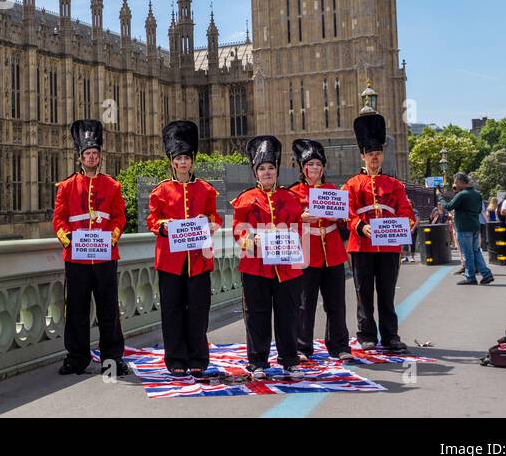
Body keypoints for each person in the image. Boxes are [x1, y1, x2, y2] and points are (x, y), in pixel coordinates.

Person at [146, 120, 222, 380]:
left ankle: (198, 358)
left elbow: (215, 217)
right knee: (173, 311)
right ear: (171, 161)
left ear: (192, 161)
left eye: (186, 158)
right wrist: (165, 227)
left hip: (199, 260)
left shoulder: (207, 190)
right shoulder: (159, 192)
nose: (182, 163)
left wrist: (212, 225)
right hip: (170, 262)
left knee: (199, 310)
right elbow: (152, 221)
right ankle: (176, 358)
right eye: (178, 158)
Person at [52, 119, 127, 374]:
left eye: (95, 153)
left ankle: (112, 359)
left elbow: (119, 217)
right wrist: (68, 239)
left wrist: (112, 237)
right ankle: (77, 358)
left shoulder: (113, 186)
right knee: (76, 310)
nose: (91, 157)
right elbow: (58, 220)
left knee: (109, 310)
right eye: (87, 154)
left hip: (105, 256)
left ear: (100, 156)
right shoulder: (66, 187)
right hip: (77, 258)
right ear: (80, 157)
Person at [232, 135, 305, 380]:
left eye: (270, 168)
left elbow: (299, 229)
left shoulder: (291, 198)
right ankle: (258, 362)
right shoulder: (245, 199)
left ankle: (289, 359)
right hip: (255, 266)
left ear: (277, 171)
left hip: (286, 267)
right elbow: (238, 230)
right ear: (255, 173)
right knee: (256, 314)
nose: (266, 172)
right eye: (262, 169)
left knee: (288, 314)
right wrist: (249, 241)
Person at [344, 113, 416, 353]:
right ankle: (366, 335)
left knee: (386, 293)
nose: (374, 158)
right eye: (370, 154)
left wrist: (408, 223)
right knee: (363, 294)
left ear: (382, 156)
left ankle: (390, 335)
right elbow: (347, 213)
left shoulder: (395, 185)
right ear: (362, 156)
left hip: (388, 248)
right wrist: (360, 226)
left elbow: (406, 211)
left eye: (378, 154)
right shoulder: (351, 184)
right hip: (361, 246)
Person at [289, 138, 352, 361]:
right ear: (303, 168)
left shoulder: (333, 190)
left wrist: (342, 216)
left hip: (333, 251)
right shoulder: (293, 193)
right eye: (310, 165)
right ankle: (302, 347)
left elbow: (347, 220)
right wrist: (301, 218)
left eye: (318, 164)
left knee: (336, 303)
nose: (314, 168)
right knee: (305, 304)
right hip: (307, 253)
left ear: (323, 168)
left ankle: (340, 345)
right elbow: (286, 222)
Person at [442, 173, 494, 285]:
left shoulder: (462, 195)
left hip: (464, 227)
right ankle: (486, 274)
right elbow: (480, 209)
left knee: (467, 253)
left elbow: (448, 206)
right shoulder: (477, 194)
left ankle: (470, 277)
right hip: (475, 225)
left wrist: (440, 197)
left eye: (456, 182)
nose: (455, 185)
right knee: (476, 251)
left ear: (460, 182)